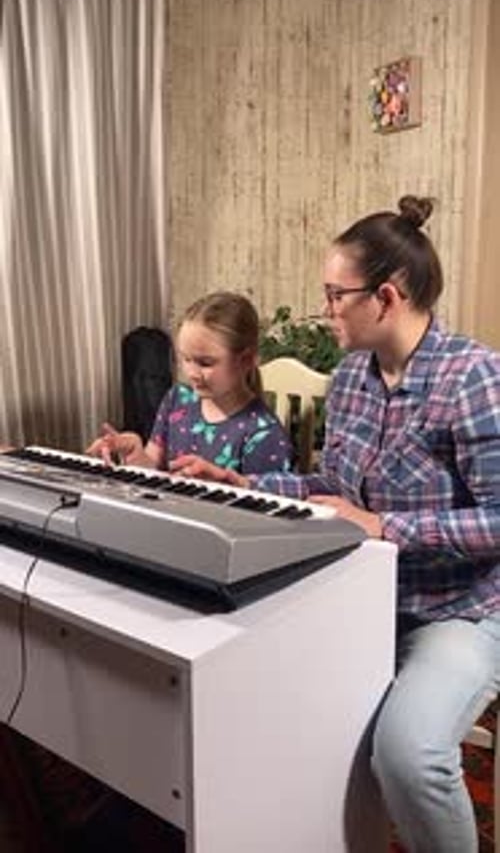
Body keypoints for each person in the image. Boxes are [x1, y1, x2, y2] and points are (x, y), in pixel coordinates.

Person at [172, 196, 500, 853]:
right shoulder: (350, 377)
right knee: (257, 699)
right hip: (360, 601)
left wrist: (386, 528)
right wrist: (242, 483)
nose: (326, 310)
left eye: (334, 295)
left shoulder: (472, 376)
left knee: (409, 756)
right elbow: (332, 490)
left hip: (458, 609)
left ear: (385, 296)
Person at [88, 291, 293, 475]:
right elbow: (154, 469)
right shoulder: (177, 400)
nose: (192, 373)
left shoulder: (264, 433)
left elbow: (263, 511)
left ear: (246, 360)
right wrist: (135, 454)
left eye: (205, 363)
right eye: (186, 359)